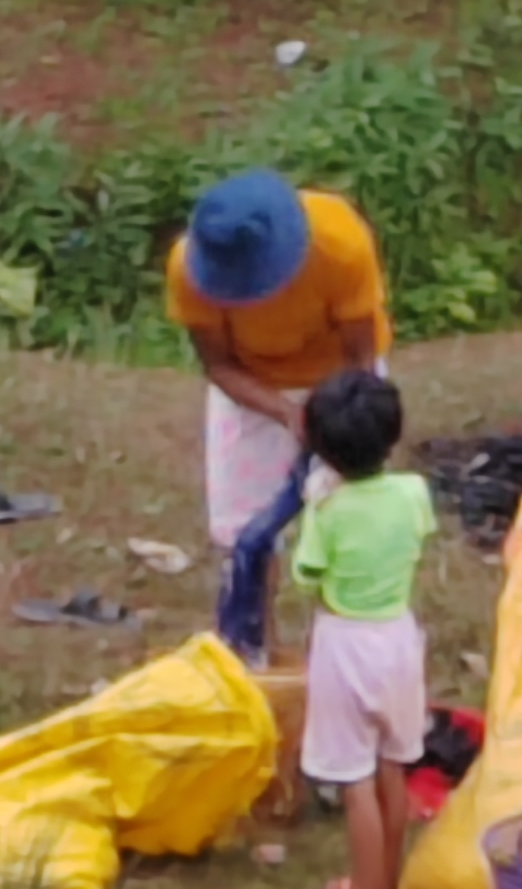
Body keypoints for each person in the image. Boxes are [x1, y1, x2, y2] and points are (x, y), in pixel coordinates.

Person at [163, 171, 388, 650]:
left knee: (354, 517)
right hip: (252, 385)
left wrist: (333, 421)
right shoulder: (188, 269)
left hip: (342, 381)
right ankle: (252, 648)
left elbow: (361, 360)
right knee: (245, 533)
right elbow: (220, 366)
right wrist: (286, 413)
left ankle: (352, 643)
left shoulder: (340, 242)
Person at [281, 368, 435, 889]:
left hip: (346, 644)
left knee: (353, 778)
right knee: (392, 766)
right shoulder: (413, 494)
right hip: (399, 637)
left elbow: (306, 576)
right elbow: (417, 533)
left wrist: (316, 505)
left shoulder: (331, 510)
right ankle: (383, 887)